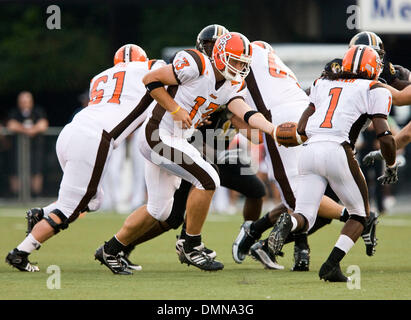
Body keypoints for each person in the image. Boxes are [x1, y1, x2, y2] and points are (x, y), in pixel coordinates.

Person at [95, 31, 278, 274]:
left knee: (159, 210)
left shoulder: (233, 83)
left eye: (243, 63)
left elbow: (244, 112)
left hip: (172, 140)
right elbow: (151, 80)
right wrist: (175, 108)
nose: (239, 67)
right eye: (235, 61)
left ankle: (111, 249)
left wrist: (273, 130)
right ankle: (192, 245)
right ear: (221, 55)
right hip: (158, 135)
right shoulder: (197, 62)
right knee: (208, 177)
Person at [5, 44, 164, 272]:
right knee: (70, 207)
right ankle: (20, 253)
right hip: (94, 138)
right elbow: (172, 76)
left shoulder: (100, 77)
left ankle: (41, 214)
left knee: (92, 201)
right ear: (143, 59)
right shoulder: (150, 67)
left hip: (72, 131)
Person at [231, 41, 379, 271]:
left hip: (299, 123)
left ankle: (263, 236)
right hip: (314, 125)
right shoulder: (373, 84)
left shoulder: (246, 59)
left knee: (300, 202)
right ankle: (292, 246)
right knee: (302, 199)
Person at [267, 45, 398, 282]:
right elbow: (385, 137)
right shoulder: (375, 88)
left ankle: (289, 221)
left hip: (308, 152)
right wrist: (390, 164)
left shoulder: (322, 83)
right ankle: (330, 266)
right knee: (360, 215)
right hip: (338, 150)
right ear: (372, 67)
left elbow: (301, 129)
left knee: (305, 215)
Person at [7, 91, 49, 197]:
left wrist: (32, 130)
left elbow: (44, 124)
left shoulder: (38, 111)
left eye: (26, 101)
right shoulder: (14, 112)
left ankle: (35, 196)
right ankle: (17, 197)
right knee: (16, 172)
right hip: (17, 150)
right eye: (22, 101)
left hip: (35, 149)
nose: (24, 103)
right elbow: (11, 125)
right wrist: (26, 131)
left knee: (36, 172)